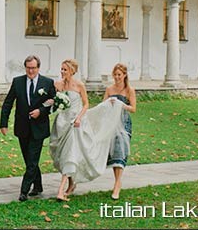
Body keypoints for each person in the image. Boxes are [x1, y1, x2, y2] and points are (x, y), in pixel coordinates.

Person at [49, 59, 125, 202]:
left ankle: (60, 191)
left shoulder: (79, 85)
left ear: (72, 70)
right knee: (62, 155)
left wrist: (78, 118)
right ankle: (71, 185)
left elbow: (86, 104)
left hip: (75, 123)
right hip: (61, 122)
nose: (62, 72)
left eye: (65, 69)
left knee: (70, 154)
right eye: (61, 69)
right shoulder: (57, 85)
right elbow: (53, 100)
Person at [0, 55, 56, 202]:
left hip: (39, 128)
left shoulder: (48, 82)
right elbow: (8, 102)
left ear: (38, 68)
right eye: (28, 68)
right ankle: (38, 186)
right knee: (29, 159)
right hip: (22, 126)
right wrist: (3, 123)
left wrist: (40, 111)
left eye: (33, 68)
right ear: (25, 68)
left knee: (32, 160)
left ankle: (24, 191)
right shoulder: (17, 82)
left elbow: (53, 103)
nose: (31, 71)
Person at [103, 63, 136, 200]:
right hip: (112, 122)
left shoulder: (129, 90)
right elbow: (102, 105)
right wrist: (109, 103)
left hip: (123, 122)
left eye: (119, 75)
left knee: (121, 150)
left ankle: (117, 183)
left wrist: (123, 105)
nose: (117, 77)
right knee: (114, 152)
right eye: (115, 75)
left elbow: (133, 108)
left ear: (124, 75)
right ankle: (117, 180)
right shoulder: (109, 89)